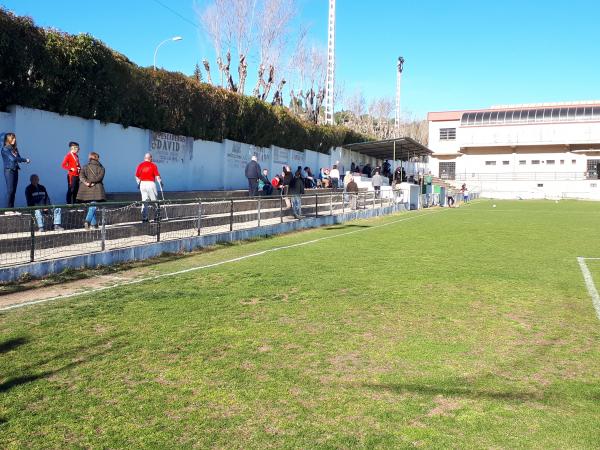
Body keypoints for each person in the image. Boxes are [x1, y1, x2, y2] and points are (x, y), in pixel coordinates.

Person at [77, 152, 105, 230]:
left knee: (91, 205)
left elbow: (81, 176)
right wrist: (92, 182)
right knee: (93, 205)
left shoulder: (85, 166)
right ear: (97, 158)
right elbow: (99, 178)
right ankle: (87, 221)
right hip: (97, 188)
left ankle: (94, 224)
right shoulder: (102, 168)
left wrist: (87, 182)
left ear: (90, 158)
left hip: (86, 188)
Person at [1, 132, 30, 208]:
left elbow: (18, 158)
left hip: (15, 170)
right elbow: (13, 159)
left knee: (14, 191)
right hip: (9, 171)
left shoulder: (14, 149)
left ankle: (11, 209)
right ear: (8, 139)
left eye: (14, 138)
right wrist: (25, 160)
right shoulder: (5, 149)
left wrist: (23, 160)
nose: (14, 139)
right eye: (12, 138)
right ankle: (8, 210)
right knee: (10, 191)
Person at [135, 153, 163, 223]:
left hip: (143, 184)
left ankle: (145, 218)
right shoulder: (153, 165)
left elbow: (136, 176)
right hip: (150, 184)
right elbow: (157, 176)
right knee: (155, 201)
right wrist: (161, 183)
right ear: (150, 158)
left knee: (144, 201)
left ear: (145, 158)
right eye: (151, 158)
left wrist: (139, 183)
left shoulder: (140, 165)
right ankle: (157, 217)